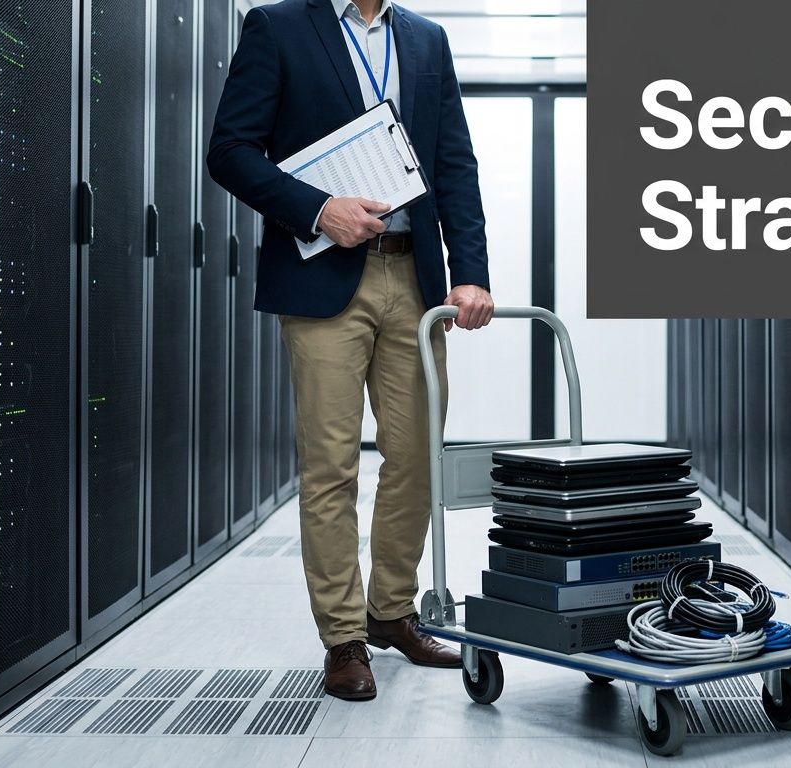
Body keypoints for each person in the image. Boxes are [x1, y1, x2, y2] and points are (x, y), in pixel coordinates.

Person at [208, 0, 494, 702]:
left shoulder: (426, 39)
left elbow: (454, 161)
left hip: (414, 274)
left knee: (417, 452)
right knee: (331, 463)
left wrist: (472, 270)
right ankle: (344, 638)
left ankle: (391, 611)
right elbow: (231, 151)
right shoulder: (276, 27)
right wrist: (316, 207)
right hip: (323, 269)